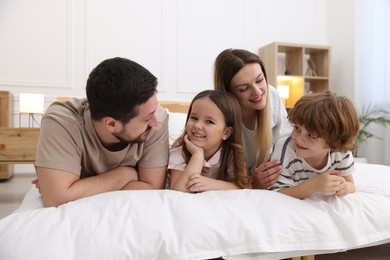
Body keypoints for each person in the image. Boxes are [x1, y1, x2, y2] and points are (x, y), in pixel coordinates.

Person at [34, 57, 169, 207]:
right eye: (147, 118)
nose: (154, 122)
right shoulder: (62, 122)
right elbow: (56, 199)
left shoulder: (157, 121)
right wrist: (126, 174)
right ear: (111, 124)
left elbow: (153, 189)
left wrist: (77, 187)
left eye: (154, 110)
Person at [214, 48, 292, 189]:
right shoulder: (217, 112)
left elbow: (287, 144)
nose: (257, 92)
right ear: (228, 93)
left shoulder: (272, 96)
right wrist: (252, 182)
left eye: (260, 80)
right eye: (244, 88)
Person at [268, 91, 360, 199]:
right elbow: (276, 192)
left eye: (311, 135)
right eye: (297, 128)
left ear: (335, 143)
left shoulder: (340, 152)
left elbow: (350, 183)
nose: (298, 138)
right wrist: (313, 186)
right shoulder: (284, 149)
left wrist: (345, 187)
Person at [168, 90, 251, 193]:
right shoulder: (179, 153)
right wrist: (197, 156)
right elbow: (178, 193)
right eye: (194, 118)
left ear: (226, 133)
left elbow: (245, 188)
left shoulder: (231, 154)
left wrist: (212, 184)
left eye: (209, 121)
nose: (197, 126)